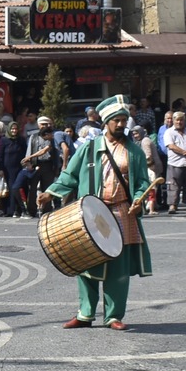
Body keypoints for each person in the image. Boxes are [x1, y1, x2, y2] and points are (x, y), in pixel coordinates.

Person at [39, 95, 158, 330]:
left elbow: (143, 183)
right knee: (85, 262)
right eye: (118, 121)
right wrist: (50, 192)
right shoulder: (89, 148)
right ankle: (85, 314)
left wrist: (138, 199)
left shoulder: (133, 151)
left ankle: (113, 316)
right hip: (91, 213)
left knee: (118, 267)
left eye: (125, 120)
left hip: (122, 212)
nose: (122, 124)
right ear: (106, 122)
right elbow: (70, 175)